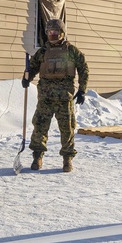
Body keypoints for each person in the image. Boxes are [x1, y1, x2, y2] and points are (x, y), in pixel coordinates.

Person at [22, 18, 90, 173]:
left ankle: (67, 159)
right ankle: (37, 157)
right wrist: (26, 79)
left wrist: (82, 89)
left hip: (64, 98)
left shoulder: (71, 50)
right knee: (39, 127)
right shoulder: (43, 52)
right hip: (45, 97)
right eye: (50, 32)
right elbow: (32, 67)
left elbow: (83, 68)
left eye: (55, 32)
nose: (52, 35)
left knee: (67, 129)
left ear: (62, 33)